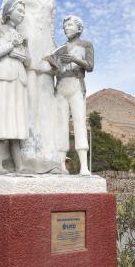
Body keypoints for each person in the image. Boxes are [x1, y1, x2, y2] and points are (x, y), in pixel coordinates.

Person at [0, 0, 61, 173]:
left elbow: (51, 30)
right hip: (23, 54)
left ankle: (49, 157)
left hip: (45, 56)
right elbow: (1, 23)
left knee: (46, 105)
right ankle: (24, 157)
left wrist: (55, 57)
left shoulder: (50, 0)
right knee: (25, 104)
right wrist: (8, 50)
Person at [0, 0, 30, 174]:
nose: (22, 13)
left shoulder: (21, 35)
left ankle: (20, 165)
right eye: (19, 9)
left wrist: (23, 47)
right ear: (9, 11)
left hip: (18, 80)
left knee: (16, 121)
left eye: (23, 11)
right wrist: (12, 46)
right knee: (0, 120)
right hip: (2, 78)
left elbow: (27, 61)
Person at [48, 15, 94, 175]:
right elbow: (54, 71)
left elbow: (90, 66)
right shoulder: (59, 50)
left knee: (80, 123)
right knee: (61, 126)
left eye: (70, 25)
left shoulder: (86, 45)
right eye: (65, 26)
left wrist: (75, 59)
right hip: (60, 87)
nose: (66, 28)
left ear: (79, 28)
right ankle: (61, 165)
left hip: (76, 86)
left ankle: (84, 167)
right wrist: (53, 65)